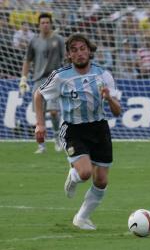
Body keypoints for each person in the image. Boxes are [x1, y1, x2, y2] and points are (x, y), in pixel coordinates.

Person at [34, 33, 121, 230]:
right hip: (73, 129)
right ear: (69, 55)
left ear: (89, 51)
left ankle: (81, 217)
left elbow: (118, 111)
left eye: (83, 49)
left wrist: (109, 98)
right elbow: (38, 95)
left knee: (101, 179)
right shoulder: (60, 76)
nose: (80, 53)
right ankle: (73, 176)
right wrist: (40, 124)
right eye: (74, 50)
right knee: (85, 173)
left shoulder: (103, 75)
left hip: (99, 129)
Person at [19, 13, 65, 154]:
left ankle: (57, 138)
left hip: (54, 79)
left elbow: (66, 58)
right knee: (39, 116)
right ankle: (41, 145)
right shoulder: (34, 41)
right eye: (42, 22)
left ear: (51, 24)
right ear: (39, 25)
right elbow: (28, 61)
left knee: (53, 112)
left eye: (47, 22)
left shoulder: (58, 40)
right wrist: (23, 79)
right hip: (38, 81)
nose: (45, 25)